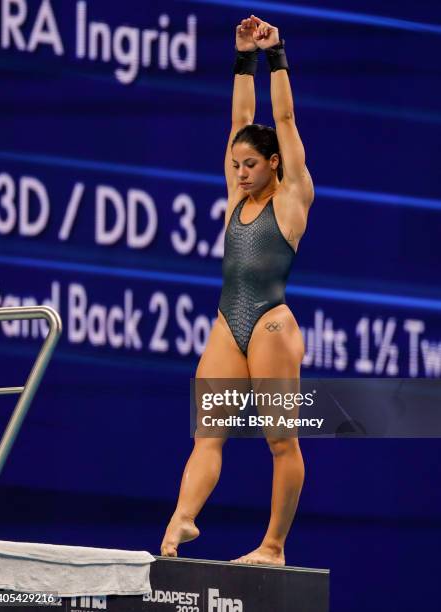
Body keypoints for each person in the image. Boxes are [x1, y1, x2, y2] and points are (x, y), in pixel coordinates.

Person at [161, 14, 314, 566]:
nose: (241, 172)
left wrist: (276, 55)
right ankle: (179, 523)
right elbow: (241, 117)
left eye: (251, 164)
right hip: (229, 320)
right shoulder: (237, 194)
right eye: (235, 165)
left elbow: (284, 118)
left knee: (281, 442)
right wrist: (241, 57)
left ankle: (273, 545)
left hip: (272, 322)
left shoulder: (291, 197)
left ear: (275, 164)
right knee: (207, 435)